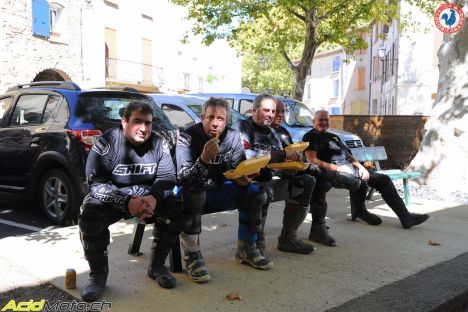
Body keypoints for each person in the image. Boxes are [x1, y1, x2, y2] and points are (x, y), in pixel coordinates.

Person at [79, 101, 186, 301]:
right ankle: (98, 276)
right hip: (114, 198)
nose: (144, 128)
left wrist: (154, 198)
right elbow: (95, 183)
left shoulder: (158, 142)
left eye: (148, 123)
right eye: (137, 121)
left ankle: (157, 267)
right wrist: (127, 201)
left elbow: (167, 176)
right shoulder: (107, 143)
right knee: (89, 214)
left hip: (147, 197)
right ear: (124, 121)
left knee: (175, 209)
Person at [176, 97, 273, 283]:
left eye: (220, 118)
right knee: (193, 193)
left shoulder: (232, 136)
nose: (215, 123)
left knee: (256, 193)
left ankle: (247, 248)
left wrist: (244, 178)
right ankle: (192, 256)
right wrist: (204, 159)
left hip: (219, 190)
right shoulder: (188, 138)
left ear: (226, 121)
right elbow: (184, 179)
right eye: (210, 117)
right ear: (202, 117)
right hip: (190, 195)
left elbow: (238, 167)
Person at [302, 110, 429, 237]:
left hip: (351, 169)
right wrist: (338, 168)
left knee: (383, 180)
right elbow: (312, 160)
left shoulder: (333, 136)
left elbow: (348, 155)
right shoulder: (311, 136)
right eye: (321, 120)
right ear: (314, 122)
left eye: (326, 120)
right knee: (359, 181)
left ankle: (406, 217)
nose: (324, 122)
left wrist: (360, 167)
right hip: (332, 173)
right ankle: (360, 211)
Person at [271, 101, 362, 247]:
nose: (280, 115)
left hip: (290, 169)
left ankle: (315, 230)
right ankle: (315, 229)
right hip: (277, 172)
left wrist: (296, 156)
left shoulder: (283, 132)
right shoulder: (264, 132)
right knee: (315, 173)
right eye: (276, 111)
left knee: (316, 180)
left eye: (283, 112)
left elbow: (289, 152)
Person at [235, 94, 315, 255]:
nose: (271, 114)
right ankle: (255, 244)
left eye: (273, 111)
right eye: (266, 110)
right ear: (254, 110)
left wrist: (290, 167)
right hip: (250, 181)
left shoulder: (275, 133)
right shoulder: (242, 127)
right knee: (264, 188)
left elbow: (279, 160)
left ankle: (288, 238)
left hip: (274, 179)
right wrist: (282, 155)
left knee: (307, 181)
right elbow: (246, 155)